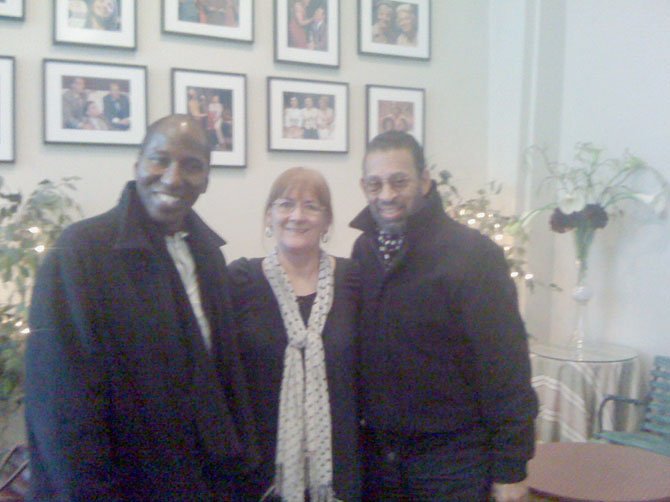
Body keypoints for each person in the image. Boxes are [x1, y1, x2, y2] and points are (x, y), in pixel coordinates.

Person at [24, 114, 258, 500]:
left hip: (200, 482)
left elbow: (220, 379)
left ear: (206, 179)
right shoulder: (81, 253)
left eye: (192, 165)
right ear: (137, 164)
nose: (172, 177)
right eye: (160, 159)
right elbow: (60, 409)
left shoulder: (209, 256)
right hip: (121, 487)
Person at [350, 130, 538, 501]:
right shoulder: (364, 250)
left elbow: (506, 366)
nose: (386, 194)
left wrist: (512, 467)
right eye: (376, 183)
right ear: (363, 186)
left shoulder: (473, 255)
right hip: (379, 459)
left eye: (399, 181)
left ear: (424, 181)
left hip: (452, 461)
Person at [229, 167, 361, 501]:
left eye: (311, 206)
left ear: (327, 220)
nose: (297, 216)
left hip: (340, 464)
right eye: (286, 204)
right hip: (260, 467)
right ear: (269, 215)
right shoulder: (240, 280)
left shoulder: (354, 279)